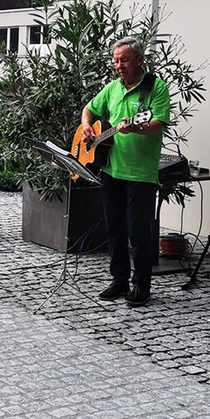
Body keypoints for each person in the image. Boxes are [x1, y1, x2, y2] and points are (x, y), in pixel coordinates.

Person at [81, 37, 170, 306]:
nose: (118, 65)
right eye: (116, 60)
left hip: (141, 174)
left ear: (140, 60)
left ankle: (141, 285)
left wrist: (137, 127)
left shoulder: (155, 87)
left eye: (124, 60)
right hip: (111, 171)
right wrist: (87, 126)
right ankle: (119, 280)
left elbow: (158, 122)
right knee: (114, 229)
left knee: (139, 232)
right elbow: (89, 109)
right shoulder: (112, 88)